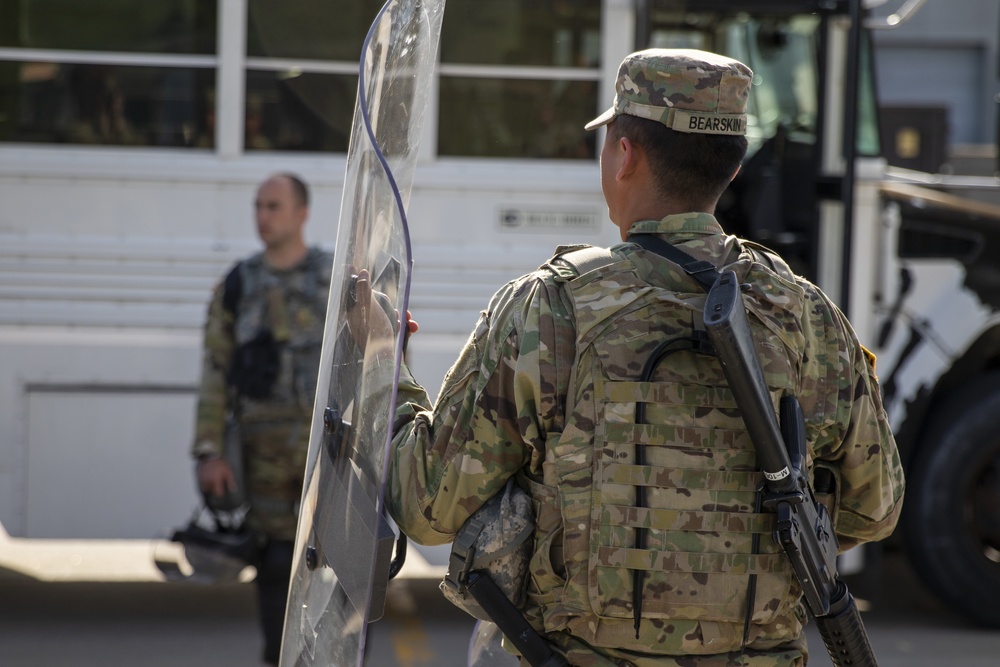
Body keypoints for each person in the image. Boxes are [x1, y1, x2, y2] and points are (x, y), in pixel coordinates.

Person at [384, 49, 905, 666]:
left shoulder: (550, 308)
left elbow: (427, 505)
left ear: (625, 155)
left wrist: (385, 366)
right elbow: (875, 509)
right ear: (733, 169)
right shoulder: (810, 319)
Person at [191, 172, 332, 666]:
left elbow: (374, 359)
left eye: (274, 206)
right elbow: (214, 374)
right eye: (258, 207)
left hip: (329, 464)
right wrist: (209, 451)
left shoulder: (336, 280)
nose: (263, 217)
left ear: (302, 213)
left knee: (340, 593)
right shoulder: (238, 284)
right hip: (264, 469)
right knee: (276, 584)